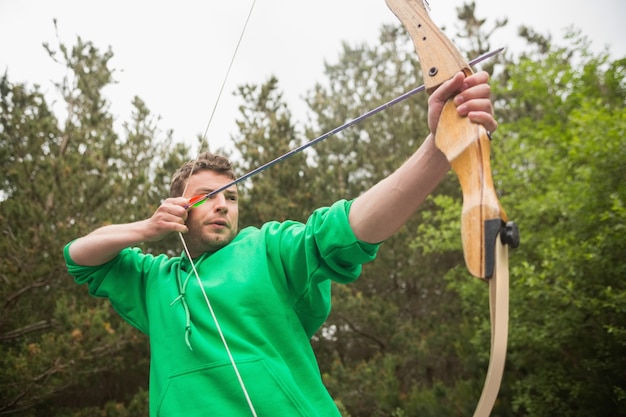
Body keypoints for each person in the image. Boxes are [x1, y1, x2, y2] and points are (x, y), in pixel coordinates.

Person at [64, 71, 498, 417]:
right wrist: (146, 229)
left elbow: (348, 228)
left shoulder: (265, 248)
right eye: (206, 197)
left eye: (231, 197)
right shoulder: (152, 280)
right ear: (178, 207)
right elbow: (79, 256)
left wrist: (442, 147)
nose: (222, 205)